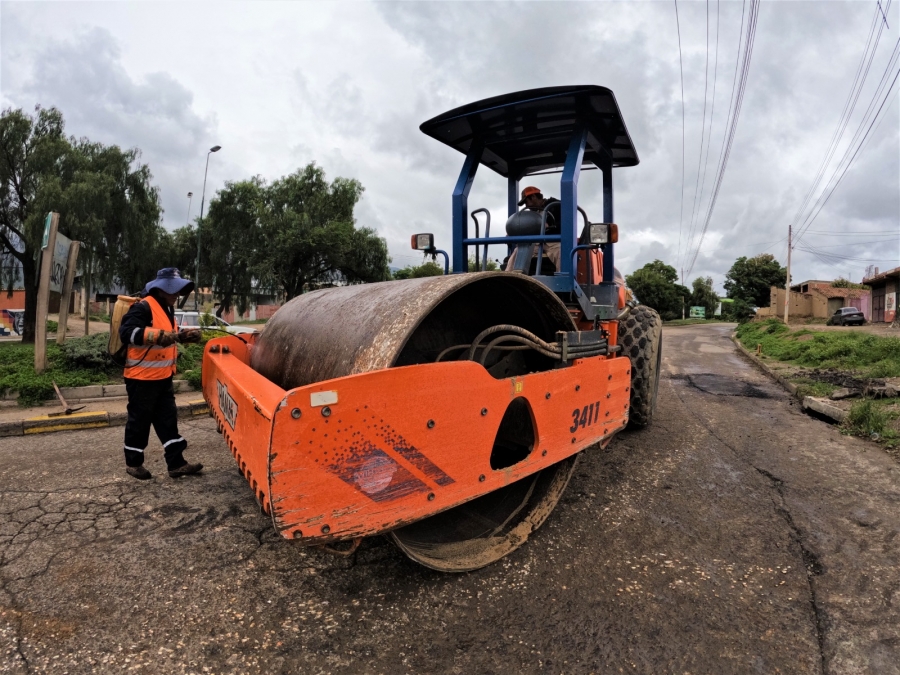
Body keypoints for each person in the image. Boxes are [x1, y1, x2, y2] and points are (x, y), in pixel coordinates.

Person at [119, 268, 204, 480]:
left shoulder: (167, 308)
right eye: (173, 290)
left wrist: (183, 336)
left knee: (168, 420)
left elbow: (168, 335)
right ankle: (133, 463)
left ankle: (176, 464)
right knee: (139, 421)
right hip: (141, 377)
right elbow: (127, 332)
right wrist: (156, 336)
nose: (177, 294)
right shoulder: (144, 307)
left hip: (163, 376)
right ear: (161, 289)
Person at [505, 186, 563, 273]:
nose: (526, 206)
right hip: (536, 242)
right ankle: (509, 277)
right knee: (518, 251)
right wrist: (514, 233)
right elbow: (529, 228)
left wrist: (549, 225)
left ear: (533, 197)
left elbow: (565, 224)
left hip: (553, 241)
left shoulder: (556, 205)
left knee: (561, 253)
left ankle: (563, 281)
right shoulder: (533, 213)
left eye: (526, 202)